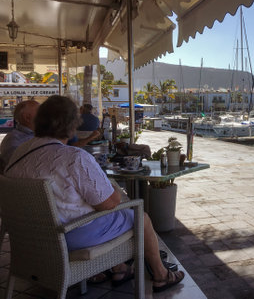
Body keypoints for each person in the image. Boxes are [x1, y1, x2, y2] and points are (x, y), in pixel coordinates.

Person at [4, 95, 184, 292]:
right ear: (72, 126)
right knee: (141, 217)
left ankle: (120, 268)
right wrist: (112, 187)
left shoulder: (19, 153)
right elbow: (108, 203)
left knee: (86, 204)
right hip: (68, 237)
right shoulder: (73, 157)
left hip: (30, 237)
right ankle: (161, 274)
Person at [0, 100, 39, 172]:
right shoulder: (14, 140)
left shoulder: (37, 135)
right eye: (40, 112)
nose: (46, 116)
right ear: (27, 118)